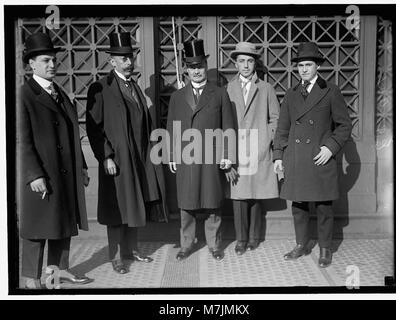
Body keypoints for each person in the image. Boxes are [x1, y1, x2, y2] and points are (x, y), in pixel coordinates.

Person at [86, 32, 168, 274]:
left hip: (139, 158)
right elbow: (93, 127)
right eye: (123, 59)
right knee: (117, 209)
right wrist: (106, 156)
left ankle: (131, 251)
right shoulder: (100, 88)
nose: (129, 62)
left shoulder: (134, 87)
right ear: (112, 61)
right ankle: (115, 257)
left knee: (134, 204)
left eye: (130, 57)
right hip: (117, 160)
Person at [18, 32, 93, 288]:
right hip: (41, 173)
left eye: (54, 60)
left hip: (65, 172)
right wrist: (33, 174)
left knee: (62, 222)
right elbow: (21, 140)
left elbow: (73, 132)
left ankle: (59, 271)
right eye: (46, 60)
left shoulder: (60, 92)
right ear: (32, 64)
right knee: (37, 227)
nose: (53, 65)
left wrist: (82, 166)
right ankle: (30, 279)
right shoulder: (23, 95)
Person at [273, 42, 352, 268]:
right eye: (300, 65)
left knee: (324, 207)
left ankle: (325, 248)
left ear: (317, 66)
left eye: (308, 64)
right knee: (298, 206)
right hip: (296, 159)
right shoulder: (291, 93)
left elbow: (344, 126)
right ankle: (301, 244)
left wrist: (330, 148)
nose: (304, 69)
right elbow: (282, 128)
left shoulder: (330, 90)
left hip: (320, 158)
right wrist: (278, 156)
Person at [166, 39, 235, 261]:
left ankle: (214, 245)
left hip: (211, 157)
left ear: (205, 66)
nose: (196, 71)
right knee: (187, 203)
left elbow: (228, 127)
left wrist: (227, 155)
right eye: (192, 67)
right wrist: (171, 154)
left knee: (212, 202)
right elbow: (172, 127)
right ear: (186, 69)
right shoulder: (177, 97)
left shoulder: (219, 93)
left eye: (200, 66)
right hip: (186, 157)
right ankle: (186, 244)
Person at [226, 42, 280, 255]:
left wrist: (266, 138)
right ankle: (241, 239)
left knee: (256, 194)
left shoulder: (266, 88)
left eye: (250, 61)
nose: (246, 65)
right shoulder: (228, 89)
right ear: (236, 63)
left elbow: (275, 118)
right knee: (239, 196)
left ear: (255, 63)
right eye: (241, 61)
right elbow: (223, 121)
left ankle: (254, 238)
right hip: (237, 150)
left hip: (259, 149)